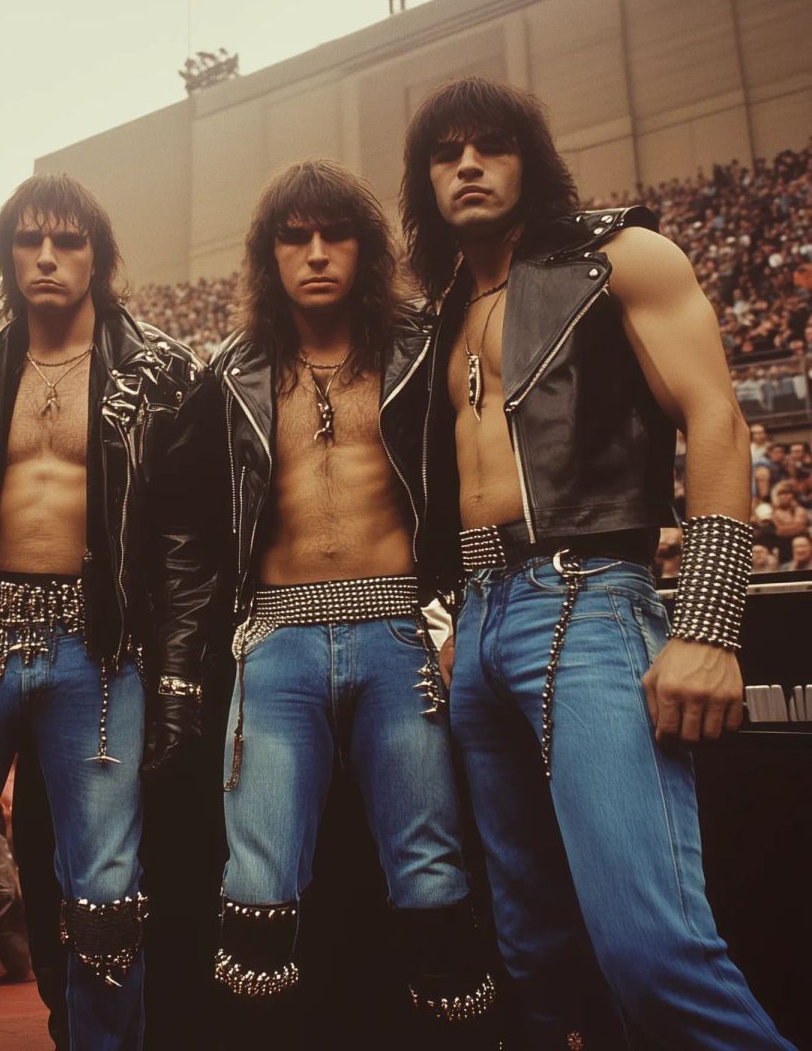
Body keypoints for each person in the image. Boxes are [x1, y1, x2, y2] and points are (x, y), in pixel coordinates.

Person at [404, 76, 794, 1049]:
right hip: (482, 622)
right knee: (535, 954)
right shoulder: (438, 315)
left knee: (651, 952)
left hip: (591, 599)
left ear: (528, 157)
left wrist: (708, 624)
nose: (467, 164)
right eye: (445, 152)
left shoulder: (620, 256)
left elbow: (716, 416)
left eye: (489, 144)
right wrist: (458, 623)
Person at [0, 174, 223, 1051]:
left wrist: (176, 676)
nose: (47, 258)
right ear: (7, 256)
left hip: (100, 651)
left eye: (67, 242)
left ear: (98, 257)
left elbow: (190, 543)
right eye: (29, 242)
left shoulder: (167, 373)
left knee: (105, 899)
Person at [210, 160, 496, 1048]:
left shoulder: (424, 346)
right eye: (295, 237)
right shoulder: (228, 374)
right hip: (277, 634)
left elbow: (472, 487)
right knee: (257, 876)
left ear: (366, 249)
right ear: (270, 256)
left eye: (336, 234)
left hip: (398, 627)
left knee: (430, 862)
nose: (318, 253)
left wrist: (455, 616)